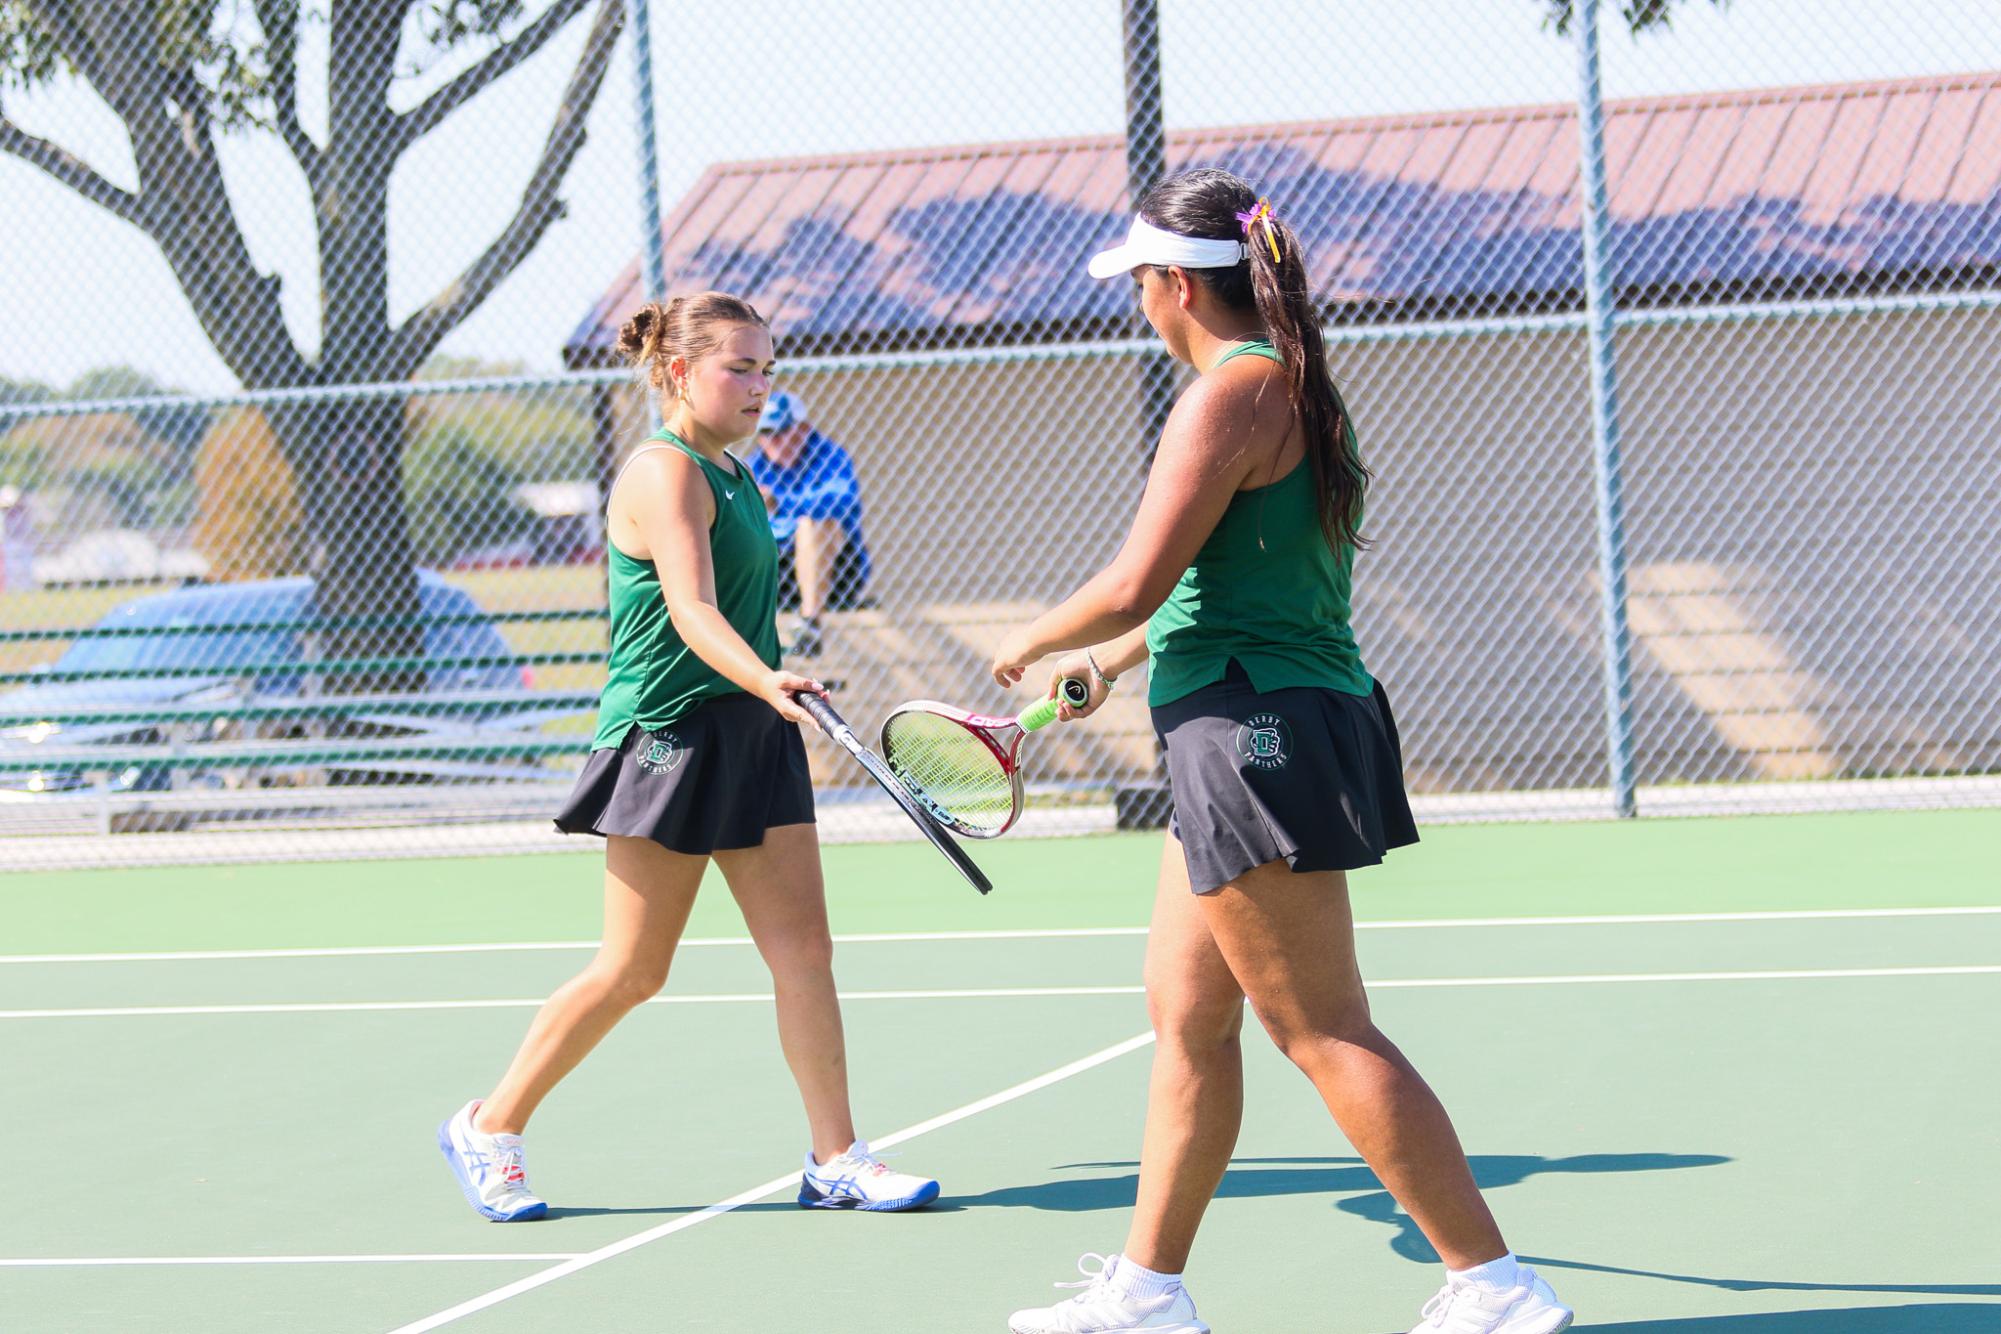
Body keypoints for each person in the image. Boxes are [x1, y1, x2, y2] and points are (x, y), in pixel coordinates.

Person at [990, 170, 1573, 1334]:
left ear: (1174, 286)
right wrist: (1110, 663)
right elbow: (1224, 586)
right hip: (1252, 706)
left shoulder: (1225, 396)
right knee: (1188, 1016)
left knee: (1322, 1025)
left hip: (1252, 731)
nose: (1140, 308)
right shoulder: (1291, 386)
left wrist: (1034, 638)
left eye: (1142, 287)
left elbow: (1135, 577)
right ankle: (1148, 1292)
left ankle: (1493, 1284)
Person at [438, 292, 937, 1222]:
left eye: (766, 368)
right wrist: (765, 678)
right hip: (666, 737)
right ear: (678, 372)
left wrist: (769, 684)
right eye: (738, 368)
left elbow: (740, 615)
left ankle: (837, 1159)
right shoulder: (663, 475)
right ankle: (489, 1124)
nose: (759, 387)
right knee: (634, 970)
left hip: (751, 726)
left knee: (805, 954)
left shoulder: (740, 474)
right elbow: (691, 611)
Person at [744, 390, 872, 657]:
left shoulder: (829, 456)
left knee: (814, 523)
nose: (772, 442)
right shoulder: (756, 463)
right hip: (779, 571)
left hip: (838, 575)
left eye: (780, 432)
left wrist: (779, 503)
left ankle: (810, 624)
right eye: (765, 433)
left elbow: (842, 500)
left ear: (803, 429)